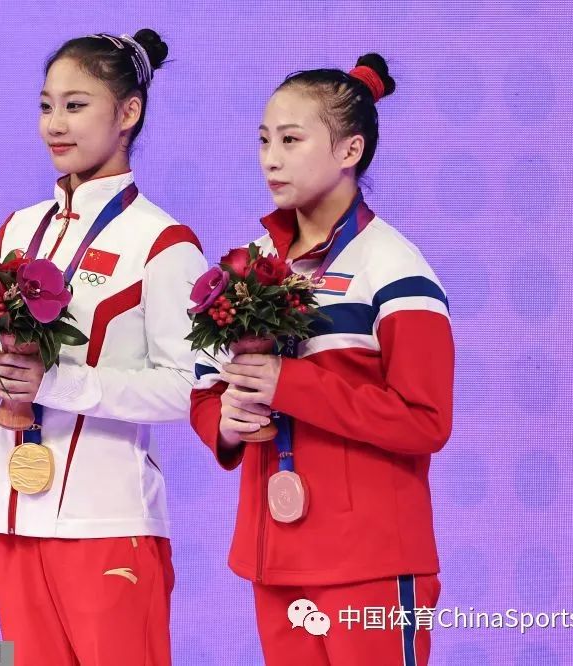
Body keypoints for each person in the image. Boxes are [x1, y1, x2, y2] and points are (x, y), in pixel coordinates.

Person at [0, 30, 206, 666]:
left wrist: (61, 384)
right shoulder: (19, 227)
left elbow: (191, 385)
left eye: (75, 105)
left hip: (106, 519)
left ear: (128, 112)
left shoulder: (162, 241)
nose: (54, 124)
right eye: (46, 106)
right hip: (12, 514)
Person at [190, 54, 453, 666]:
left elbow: (425, 421)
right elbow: (205, 388)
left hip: (370, 562)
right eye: (263, 141)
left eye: (290, 140)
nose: (270, 159)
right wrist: (225, 424)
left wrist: (290, 383)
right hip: (274, 557)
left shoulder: (395, 267)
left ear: (349, 150)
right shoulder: (247, 265)